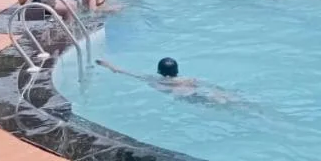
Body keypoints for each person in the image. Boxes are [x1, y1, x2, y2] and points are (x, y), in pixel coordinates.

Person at [95, 57, 238, 103]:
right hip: (197, 91)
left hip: (190, 97)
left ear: (159, 71)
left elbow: (124, 71)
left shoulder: (155, 80)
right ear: (177, 70)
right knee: (221, 97)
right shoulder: (189, 79)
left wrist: (108, 65)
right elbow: (209, 85)